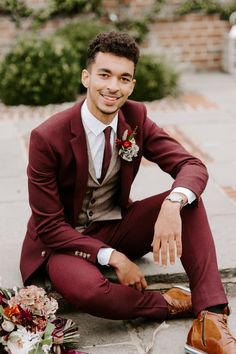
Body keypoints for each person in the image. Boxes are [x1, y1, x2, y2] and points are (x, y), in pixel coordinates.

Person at [20, 31, 236, 353]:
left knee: (188, 200)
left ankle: (210, 318)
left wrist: (171, 205)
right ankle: (172, 302)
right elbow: (50, 227)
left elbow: (191, 165)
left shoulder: (135, 117)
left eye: (124, 78)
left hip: (115, 224)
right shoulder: (47, 137)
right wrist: (114, 257)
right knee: (90, 292)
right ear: (86, 77)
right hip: (64, 242)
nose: (112, 87)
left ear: (132, 85)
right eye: (104, 75)